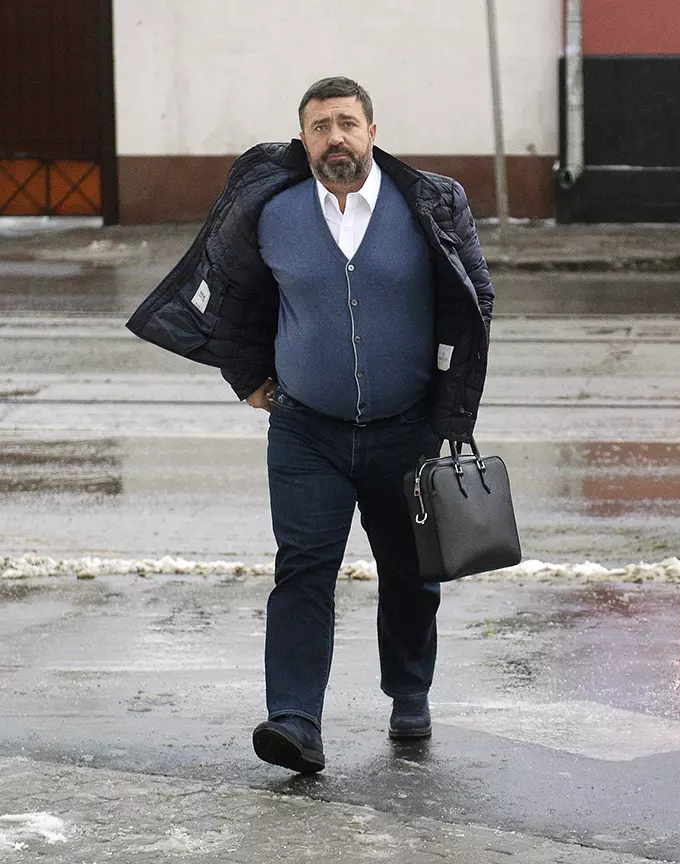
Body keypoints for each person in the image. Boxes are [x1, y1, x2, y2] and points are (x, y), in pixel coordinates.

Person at [126, 77, 494, 774]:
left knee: (411, 572)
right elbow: (233, 298)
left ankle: (408, 692)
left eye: (347, 123)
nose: (335, 138)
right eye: (320, 127)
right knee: (301, 570)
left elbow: (475, 298)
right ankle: (295, 721)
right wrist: (247, 378)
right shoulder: (273, 209)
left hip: (405, 428)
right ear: (303, 139)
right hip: (306, 431)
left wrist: (451, 408)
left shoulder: (429, 204)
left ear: (372, 132)